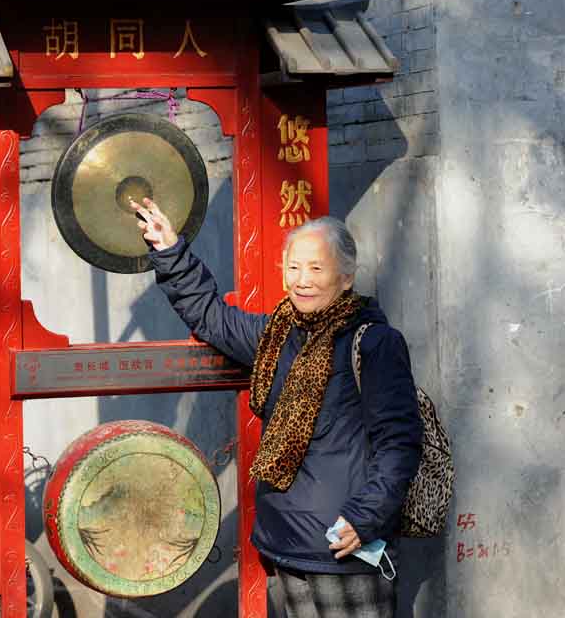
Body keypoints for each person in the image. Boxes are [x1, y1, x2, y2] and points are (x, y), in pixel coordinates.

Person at [132, 198, 423, 618]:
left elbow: (399, 443)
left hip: (347, 544)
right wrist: (169, 250)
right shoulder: (276, 337)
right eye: (294, 267)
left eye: (317, 269)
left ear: (346, 278)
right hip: (285, 541)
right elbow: (210, 316)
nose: (302, 280)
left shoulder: (374, 343)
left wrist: (364, 519)